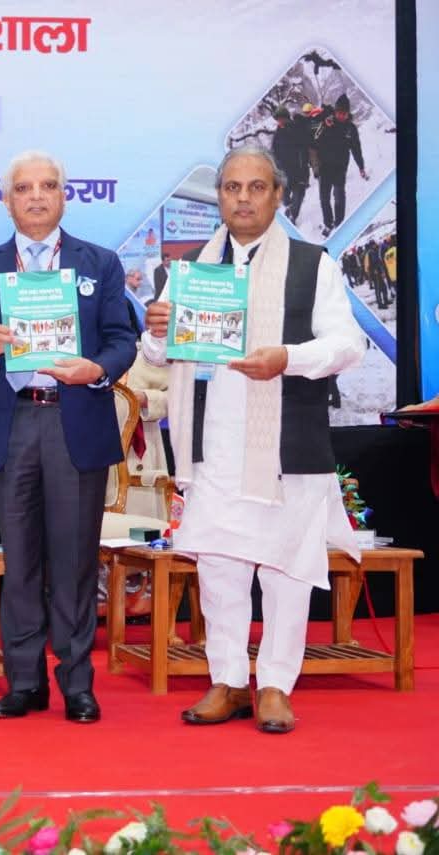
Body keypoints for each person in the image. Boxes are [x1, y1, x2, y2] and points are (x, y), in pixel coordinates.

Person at [143, 145, 365, 733]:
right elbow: (158, 357)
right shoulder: (186, 270)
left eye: (256, 187)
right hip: (211, 447)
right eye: (232, 188)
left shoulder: (312, 264)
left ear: (278, 195)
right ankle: (227, 682)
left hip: (287, 448)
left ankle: (274, 686)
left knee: (286, 573)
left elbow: (348, 345)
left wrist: (287, 357)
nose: (243, 198)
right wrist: (157, 329)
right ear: (219, 196)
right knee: (219, 570)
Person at [0, 150, 135, 723]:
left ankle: (77, 683)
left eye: (48, 186)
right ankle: (24, 681)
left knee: (75, 562)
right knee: (21, 562)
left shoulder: (100, 263)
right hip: (12, 424)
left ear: (63, 197)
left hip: (74, 420)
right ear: (7, 200)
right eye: (24, 188)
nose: (36, 196)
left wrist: (96, 369)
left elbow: (122, 339)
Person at [312, 93, 366, 236]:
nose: (341, 115)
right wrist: (324, 124)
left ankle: (340, 224)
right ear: (335, 112)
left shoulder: (351, 129)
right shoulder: (327, 122)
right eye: (339, 112)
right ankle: (328, 224)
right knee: (324, 198)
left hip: (340, 168)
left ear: (348, 113)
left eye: (344, 113)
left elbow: (356, 149)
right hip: (324, 167)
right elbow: (314, 138)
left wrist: (361, 166)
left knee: (339, 196)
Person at [270, 106, 311, 221]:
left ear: (287, 118)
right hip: (283, 171)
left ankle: (293, 216)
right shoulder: (277, 133)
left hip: (298, 169)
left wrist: (304, 167)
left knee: (299, 193)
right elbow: (273, 152)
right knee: (285, 197)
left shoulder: (296, 129)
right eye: (278, 119)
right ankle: (289, 208)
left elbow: (304, 149)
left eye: (281, 118)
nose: (280, 121)